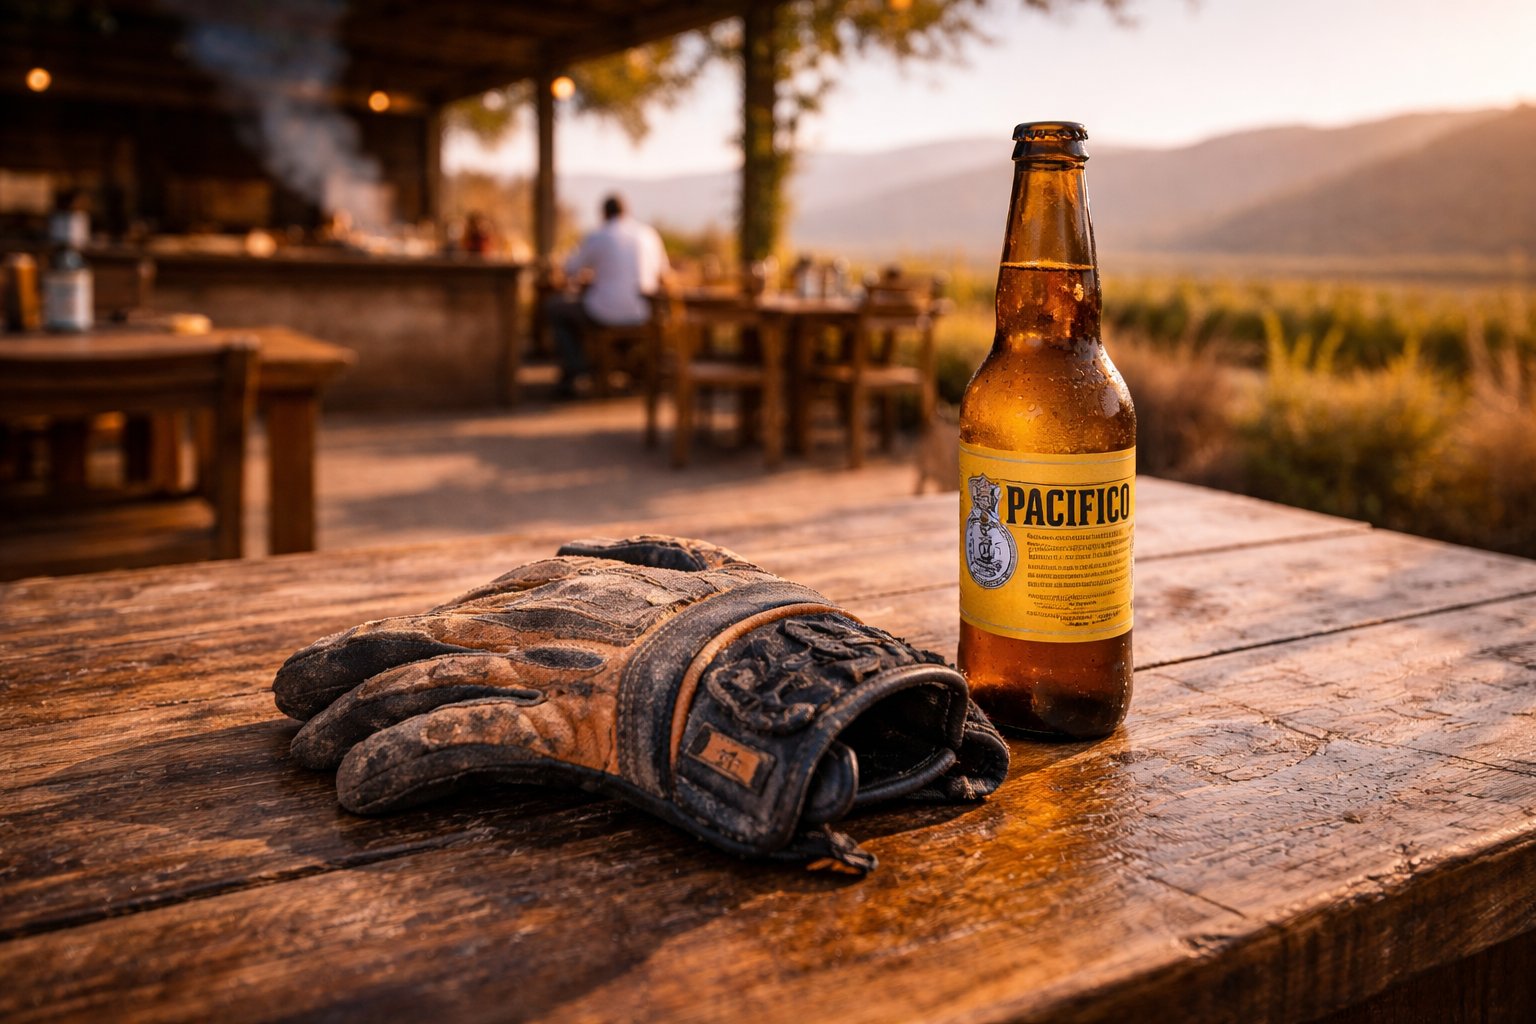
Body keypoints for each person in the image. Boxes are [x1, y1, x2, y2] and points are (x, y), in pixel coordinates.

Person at [545, 194, 670, 396]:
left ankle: (576, 368)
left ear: (603, 214)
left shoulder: (598, 236)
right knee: (584, 309)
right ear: (627, 212)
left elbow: (570, 268)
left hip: (604, 312)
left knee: (555, 308)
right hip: (644, 312)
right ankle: (621, 367)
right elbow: (663, 274)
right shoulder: (648, 234)